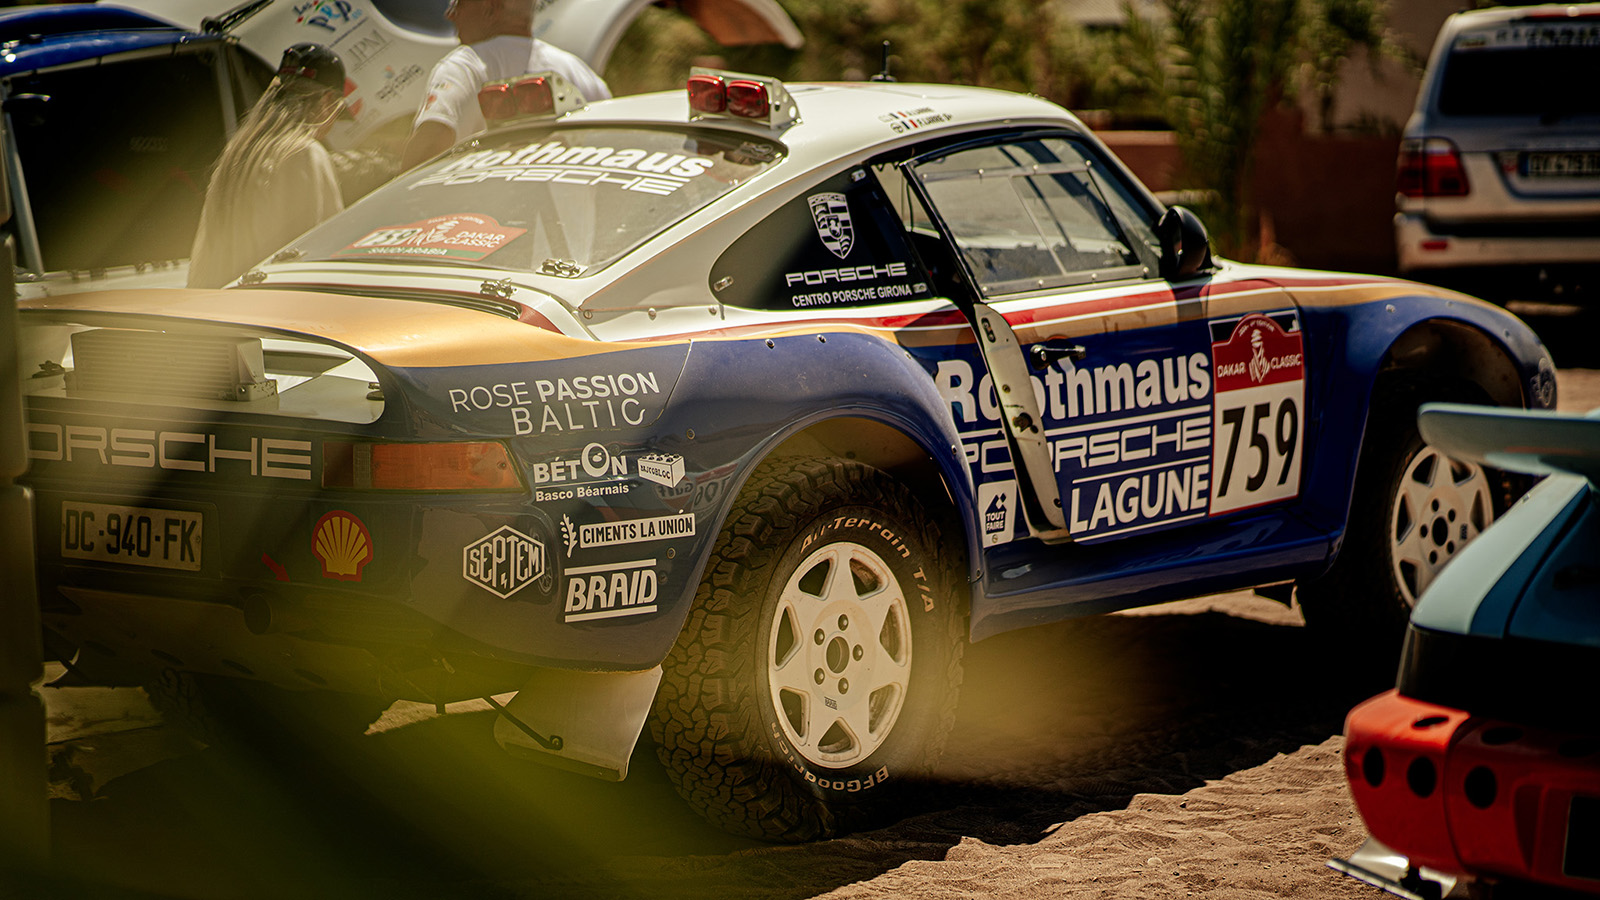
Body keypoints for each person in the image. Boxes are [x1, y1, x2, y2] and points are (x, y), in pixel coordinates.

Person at [187, 43, 349, 289]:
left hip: (220, 303)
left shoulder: (239, 151)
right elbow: (319, 252)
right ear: (327, 100)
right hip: (272, 305)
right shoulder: (303, 153)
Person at [400, 0, 610, 171]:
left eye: (458, 4)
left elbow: (428, 150)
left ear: (490, 8)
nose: (450, 15)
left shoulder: (464, 66)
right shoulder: (578, 71)